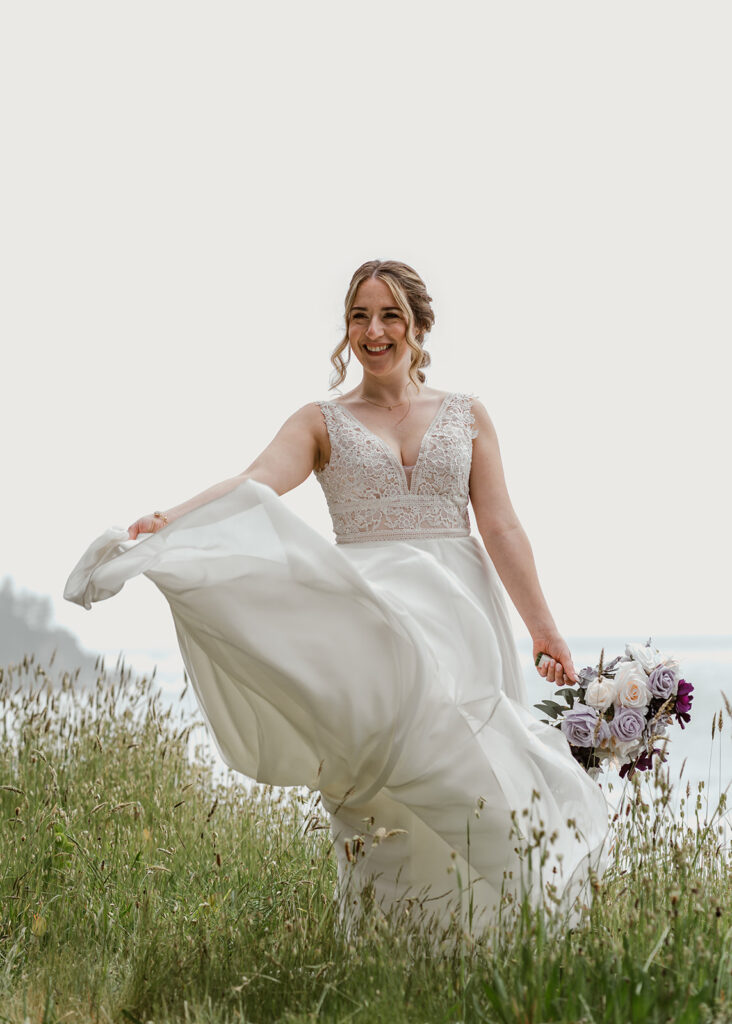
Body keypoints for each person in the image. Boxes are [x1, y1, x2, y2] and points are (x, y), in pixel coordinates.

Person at [64, 259, 609, 942]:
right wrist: (168, 519)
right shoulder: (321, 420)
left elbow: (500, 525)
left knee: (480, 766)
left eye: (388, 316)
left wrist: (543, 630)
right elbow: (257, 483)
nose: (373, 331)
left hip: (464, 612)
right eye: (359, 316)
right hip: (372, 617)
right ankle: (391, 953)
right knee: (383, 784)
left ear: (417, 324)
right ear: (346, 328)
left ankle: (502, 943)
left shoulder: (469, 416)